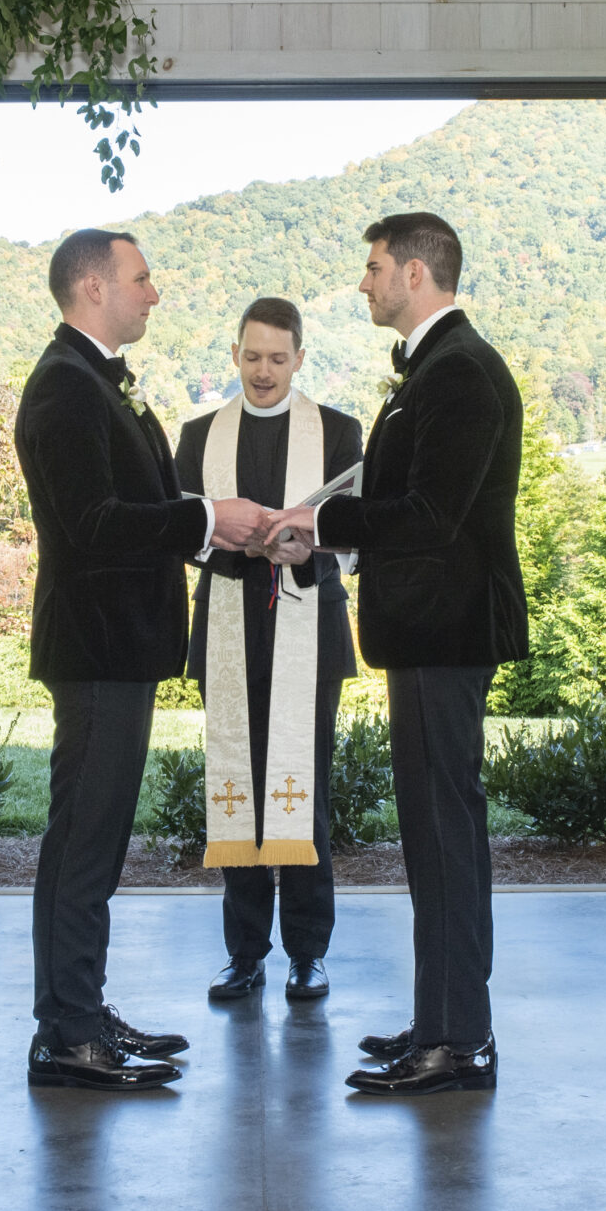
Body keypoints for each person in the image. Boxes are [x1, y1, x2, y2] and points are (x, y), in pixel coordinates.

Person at [264, 212, 525, 1096]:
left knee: (446, 835)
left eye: (374, 268)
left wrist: (322, 523)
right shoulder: (439, 370)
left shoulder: (460, 374)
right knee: (434, 833)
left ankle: (459, 1041)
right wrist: (326, 530)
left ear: (417, 273)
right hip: (429, 631)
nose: (365, 282)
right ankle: (444, 1018)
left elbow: (428, 514)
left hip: (446, 632)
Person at [14, 229, 269, 1090]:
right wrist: (205, 521)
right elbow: (92, 523)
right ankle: (66, 1033)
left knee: (95, 839)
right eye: (141, 277)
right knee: (84, 842)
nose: (153, 293)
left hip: (118, 647)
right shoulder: (63, 390)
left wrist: (202, 517)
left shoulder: (92, 380)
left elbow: (133, 504)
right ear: (93, 289)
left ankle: (78, 1010)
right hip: (96, 649)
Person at [174, 297, 363, 1006]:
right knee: (235, 787)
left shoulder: (339, 432)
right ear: (234, 355)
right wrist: (227, 534)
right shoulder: (198, 437)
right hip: (227, 623)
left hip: (308, 625)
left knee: (303, 789)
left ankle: (308, 952)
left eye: (277, 358)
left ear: (300, 359)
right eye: (251, 356)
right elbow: (181, 528)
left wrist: (306, 538)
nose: (262, 371)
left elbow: (356, 531)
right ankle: (244, 952)